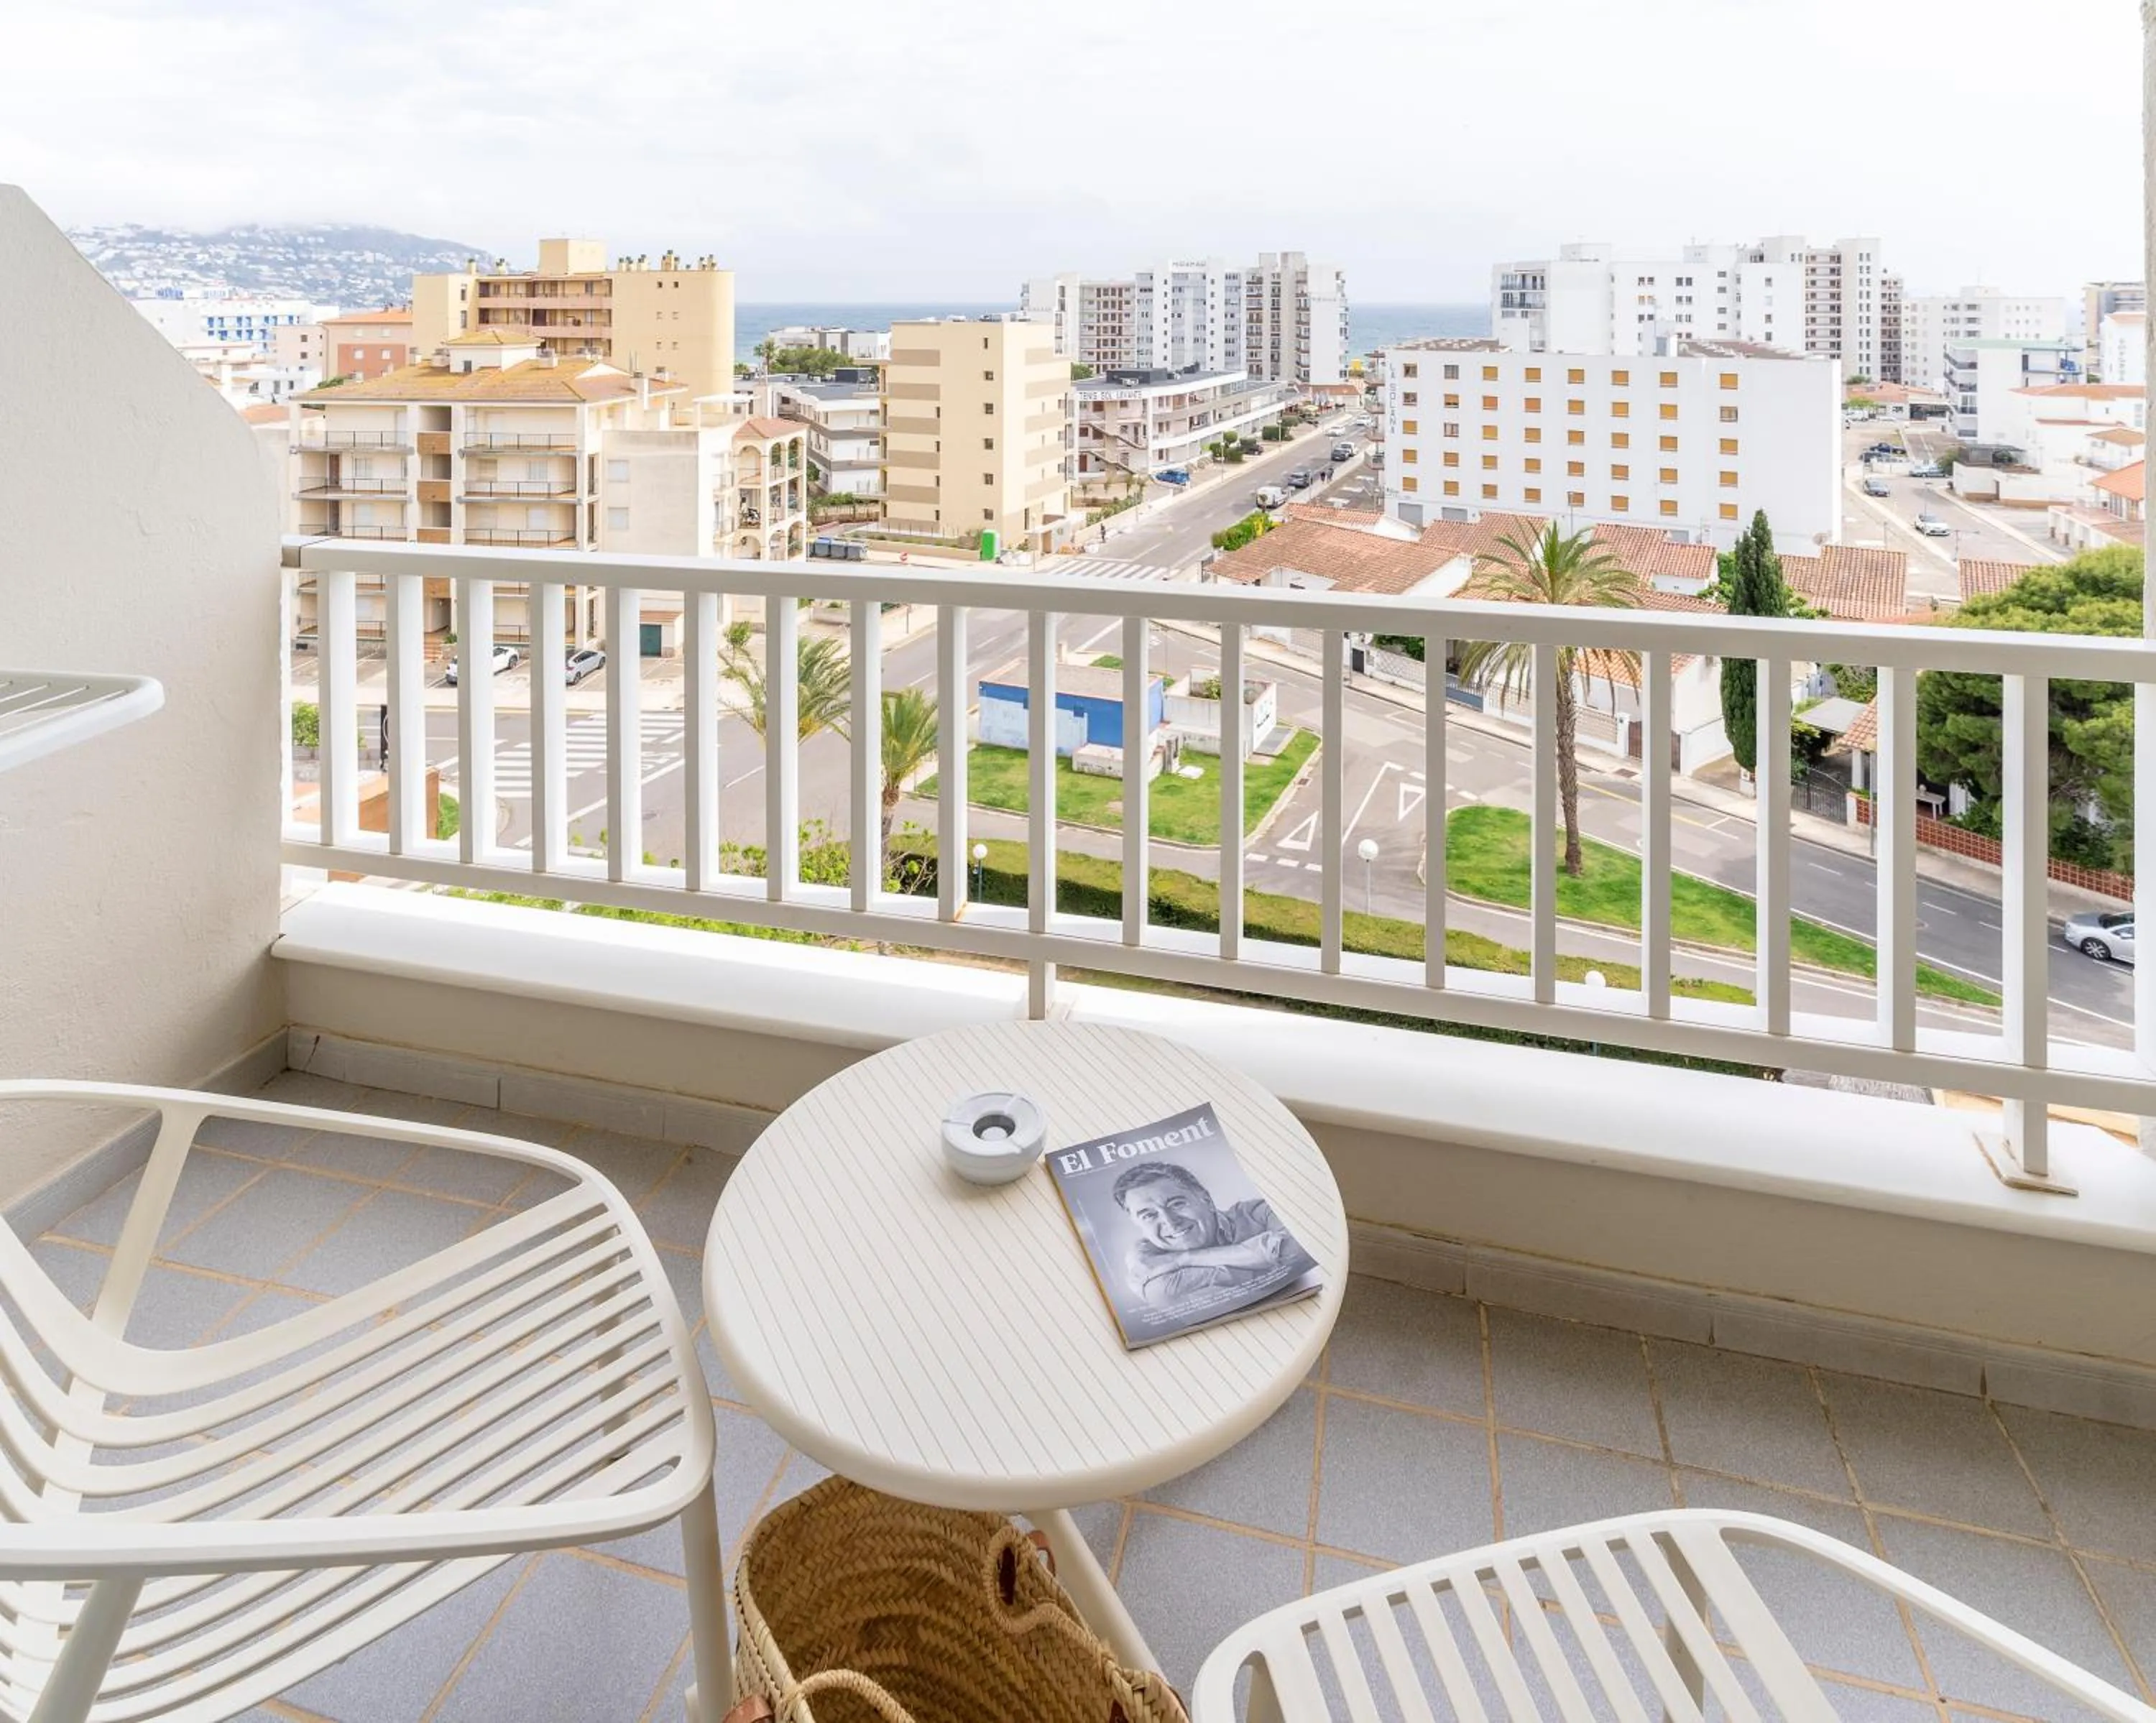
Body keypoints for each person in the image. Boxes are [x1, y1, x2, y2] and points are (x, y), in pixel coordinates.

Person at [1111, 1161, 1314, 1308]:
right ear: (1137, 1223)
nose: (1170, 1221)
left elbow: (1300, 1251)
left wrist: (1186, 1259)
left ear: (1206, 1199)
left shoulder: (1259, 1213)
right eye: (1149, 1215)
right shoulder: (1145, 1260)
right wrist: (1259, 1259)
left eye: (1177, 1204)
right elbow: (1161, 1294)